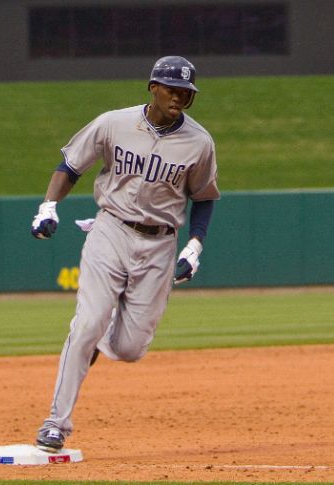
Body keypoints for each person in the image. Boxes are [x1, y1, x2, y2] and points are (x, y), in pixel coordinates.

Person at [29, 55, 220, 453]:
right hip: (111, 230)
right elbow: (71, 164)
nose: (180, 97)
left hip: (161, 243)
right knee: (86, 324)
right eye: (173, 89)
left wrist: (195, 245)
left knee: (131, 349)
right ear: (153, 87)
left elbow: (204, 198)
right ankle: (55, 423)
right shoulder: (114, 123)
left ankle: (101, 333)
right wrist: (48, 206)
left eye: (187, 92)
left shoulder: (200, 142)